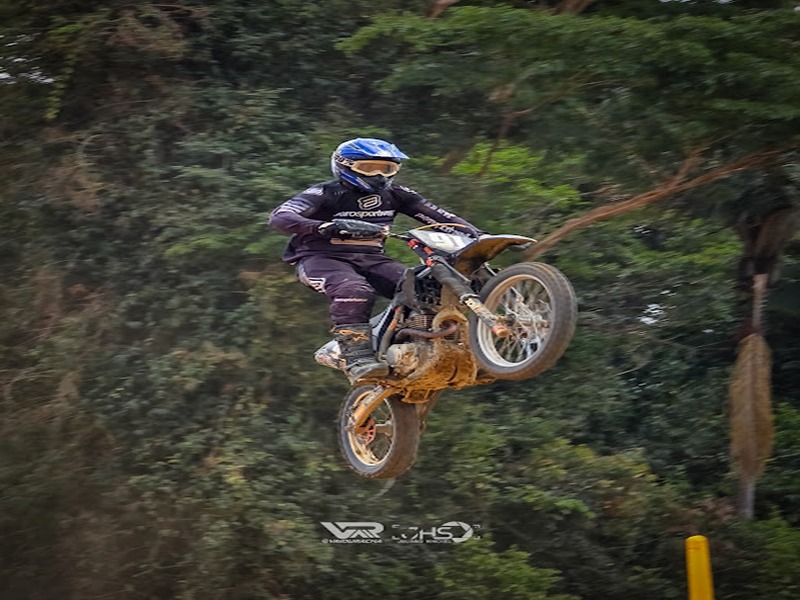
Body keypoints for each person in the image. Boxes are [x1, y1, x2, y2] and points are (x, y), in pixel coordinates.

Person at [269, 138, 482, 383]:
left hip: (372, 259)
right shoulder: (324, 192)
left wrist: (481, 237)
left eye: (387, 169)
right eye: (369, 168)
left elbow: (443, 219)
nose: (379, 175)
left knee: (424, 287)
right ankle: (356, 357)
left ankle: (423, 344)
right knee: (355, 290)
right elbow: (280, 217)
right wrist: (323, 227)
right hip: (321, 259)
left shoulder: (398, 194)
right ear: (345, 166)